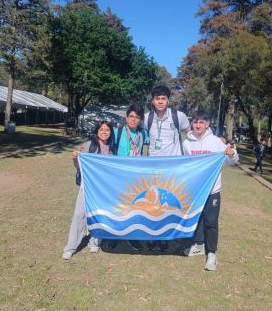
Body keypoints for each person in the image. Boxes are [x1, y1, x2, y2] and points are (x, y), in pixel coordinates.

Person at [182, 110, 239, 271]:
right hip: (196, 190)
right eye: (195, 122)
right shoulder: (187, 143)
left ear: (207, 124)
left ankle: (212, 254)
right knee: (197, 218)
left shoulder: (215, 142)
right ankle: (199, 245)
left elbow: (230, 161)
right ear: (192, 124)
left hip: (213, 190)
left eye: (201, 122)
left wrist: (232, 153)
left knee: (211, 222)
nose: (198, 125)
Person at [144, 85, 190, 251]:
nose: (160, 101)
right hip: (153, 169)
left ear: (168, 100)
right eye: (157, 98)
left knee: (168, 202)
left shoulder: (179, 116)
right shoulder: (147, 117)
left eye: (163, 98)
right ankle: (152, 236)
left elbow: (191, 133)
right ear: (153, 100)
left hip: (173, 169)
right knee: (153, 203)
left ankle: (164, 237)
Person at [62, 121, 116, 260]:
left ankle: (95, 242)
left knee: (100, 215)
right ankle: (71, 247)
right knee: (79, 215)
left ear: (111, 132)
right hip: (88, 187)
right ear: (97, 131)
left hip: (104, 189)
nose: (104, 132)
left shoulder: (112, 148)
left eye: (107, 130)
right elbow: (79, 166)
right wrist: (75, 158)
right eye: (101, 129)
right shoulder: (88, 145)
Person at [112, 104, 149, 251]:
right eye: (131, 117)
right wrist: (85, 146)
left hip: (135, 177)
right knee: (117, 207)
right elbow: (101, 139)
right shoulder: (118, 132)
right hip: (119, 175)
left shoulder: (143, 134)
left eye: (137, 117)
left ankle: (132, 236)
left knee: (133, 207)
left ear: (140, 120)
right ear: (126, 117)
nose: (134, 120)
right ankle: (113, 236)